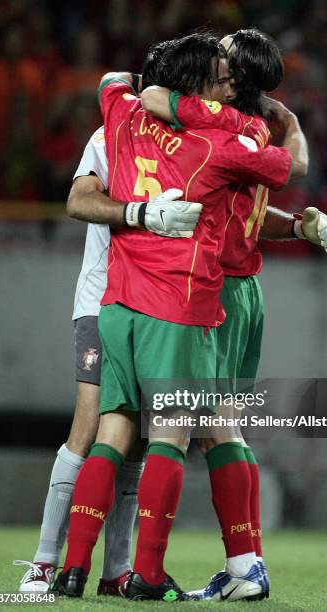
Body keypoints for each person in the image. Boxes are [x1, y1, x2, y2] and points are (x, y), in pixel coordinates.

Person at [53, 32, 298, 601]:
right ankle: (159, 573)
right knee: (186, 431)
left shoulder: (119, 119)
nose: (227, 81)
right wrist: (282, 127)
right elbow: (286, 166)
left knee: (113, 431)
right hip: (186, 300)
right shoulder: (218, 142)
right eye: (218, 73)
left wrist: (150, 89)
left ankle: (70, 568)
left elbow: (111, 82)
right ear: (197, 90)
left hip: (117, 303)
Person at [140, 28, 327, 601]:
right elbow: (284, 173)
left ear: (237, 75)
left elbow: (150, 94)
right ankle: (246, 566)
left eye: (224, 55)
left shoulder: (213, 120)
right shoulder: (255, 131)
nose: (215, 60)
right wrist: (290, 123)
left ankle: (156, 572)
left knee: (178, 424)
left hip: (211, 287)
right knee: (222, 425)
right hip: (245, 291)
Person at [14, 133, 203, 594]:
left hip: (153, 305)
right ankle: (43, 563)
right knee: (89, 427)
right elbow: (79, 199)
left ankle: (115, 570)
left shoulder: (188, 137)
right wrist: (139, 213)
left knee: (134, 440)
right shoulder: (114, 130)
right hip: (103, 301)